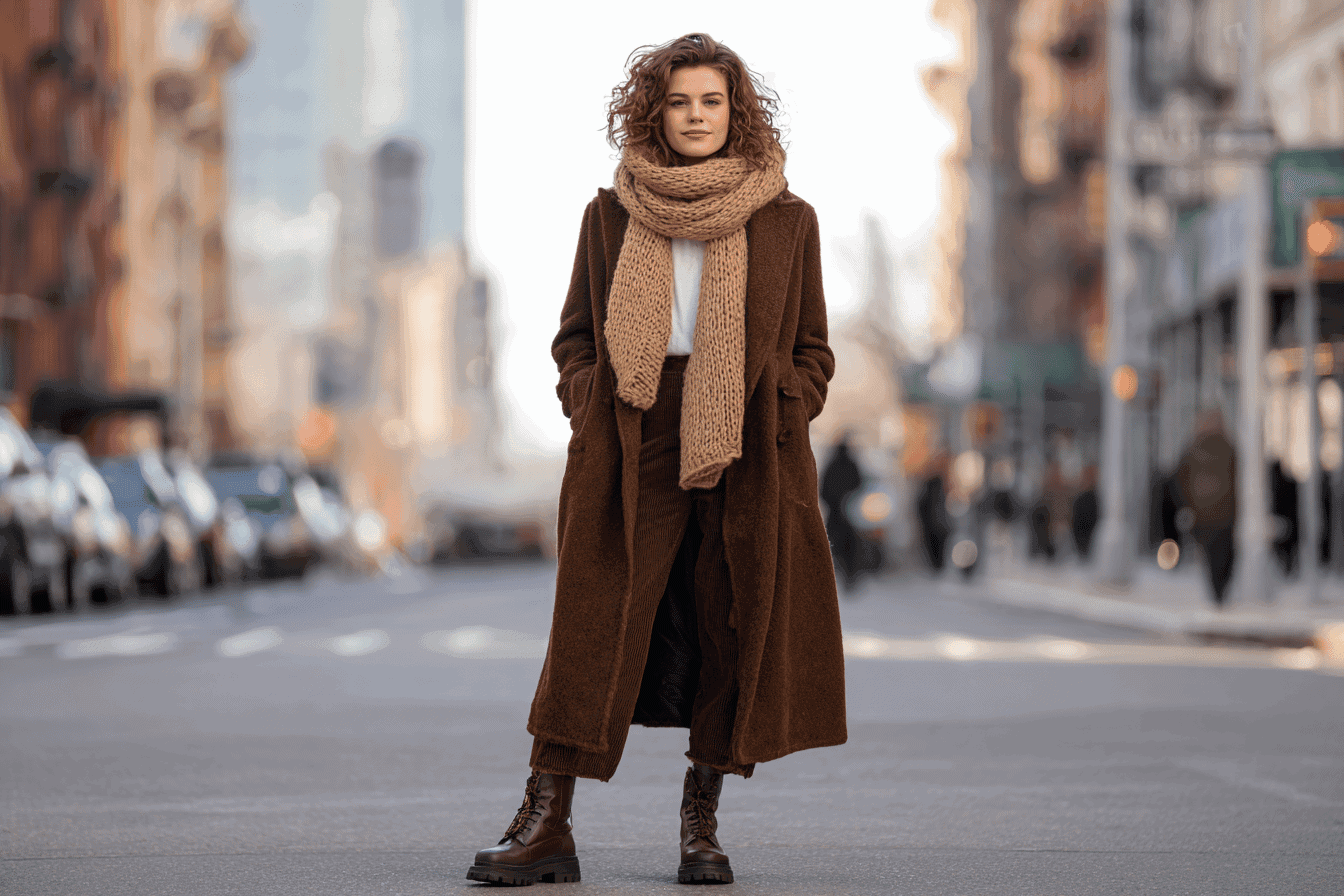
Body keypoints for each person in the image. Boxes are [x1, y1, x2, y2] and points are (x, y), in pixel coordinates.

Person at [466, 34, 846, 886]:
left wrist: (788, 404)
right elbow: (573, 335)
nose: (697, 116)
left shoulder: (788, 220)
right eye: (680, 102)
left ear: (735, 111)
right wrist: (588, 398)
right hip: (633, 430)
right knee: (593, 625)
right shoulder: (612, 215)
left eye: (712, 102)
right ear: (654, 112)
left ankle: (700, 825)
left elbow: (814, 349)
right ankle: (546, 821)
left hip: (747, 436)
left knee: (729, 619)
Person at [1176, 409, 1237, 607]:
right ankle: (1221, 592)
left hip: (1203, 513)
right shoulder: (1229, 448)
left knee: (1211, 554)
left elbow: (1181, 480)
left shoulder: (1193, 449)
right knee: (1225, 554)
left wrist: (1189, 504)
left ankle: (1217, 592)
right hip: (1226, 513)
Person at [820, 432, 864, 592]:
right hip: (849, 516)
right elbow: (860, 485)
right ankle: (848, 578)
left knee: (835, 547)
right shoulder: (851, 464)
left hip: (838, 515)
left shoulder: (831, 465)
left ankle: (839, 578)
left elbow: (823, 491)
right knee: (848, 548)